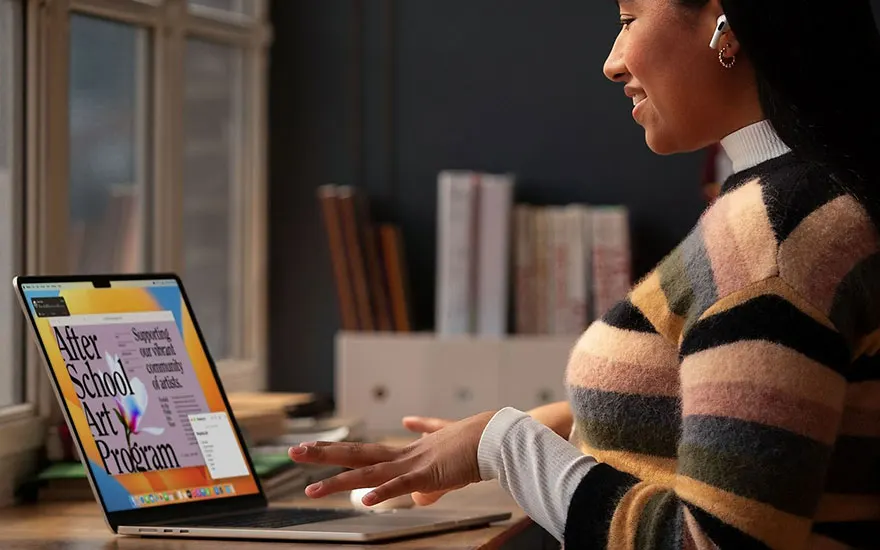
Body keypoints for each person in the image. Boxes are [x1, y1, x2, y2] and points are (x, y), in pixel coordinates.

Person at [289, 1, 880, 547]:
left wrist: (503, 446)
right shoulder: (796, 202)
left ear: (723, 25)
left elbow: (717, 542)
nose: (612, 63)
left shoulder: (775, 235)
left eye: (628, 19)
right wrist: (567, 420)